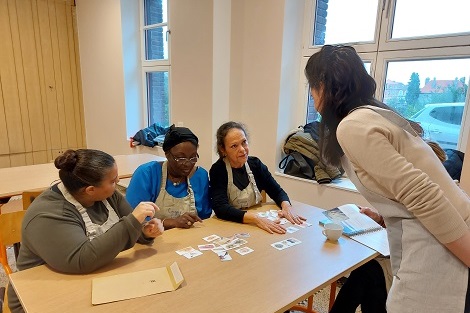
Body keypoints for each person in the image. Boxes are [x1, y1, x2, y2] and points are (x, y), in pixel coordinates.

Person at [305, 45, 470, 313]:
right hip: (441, 236)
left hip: (443, 244)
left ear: (323, 87)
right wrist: (382, 215)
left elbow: (424, 195)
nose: (312, 97)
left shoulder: (352, 125)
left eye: (312, 88)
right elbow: (408, 188)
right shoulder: (375, 116)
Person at [8, 149, 164, 313]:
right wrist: (133, 221)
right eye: (112, 181)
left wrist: (145, 231)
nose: (117, 182)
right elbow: (82, 259)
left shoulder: (107, 195)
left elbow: (130, 230)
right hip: (39, 295)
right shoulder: (49, 214)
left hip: (90, 277)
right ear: (90, 190)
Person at [210, 121, 305, 234]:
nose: (242, 149)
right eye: (234, 146)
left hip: (256, 227)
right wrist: (256, 219)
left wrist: (287, 207)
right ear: (223, 150)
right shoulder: (218, 170)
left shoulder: (256, 165)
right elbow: (221, 208)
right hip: (231, 225)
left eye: (244, 142)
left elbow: (277, 192)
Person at [126, 125, 211, 229]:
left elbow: (204, 217)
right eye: (180, 158)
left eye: (193, 157)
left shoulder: (200, 176)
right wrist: (171, 222)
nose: (188, 163)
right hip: (152, 240)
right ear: (167, 154)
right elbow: (133, 220)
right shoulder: (147, 174)